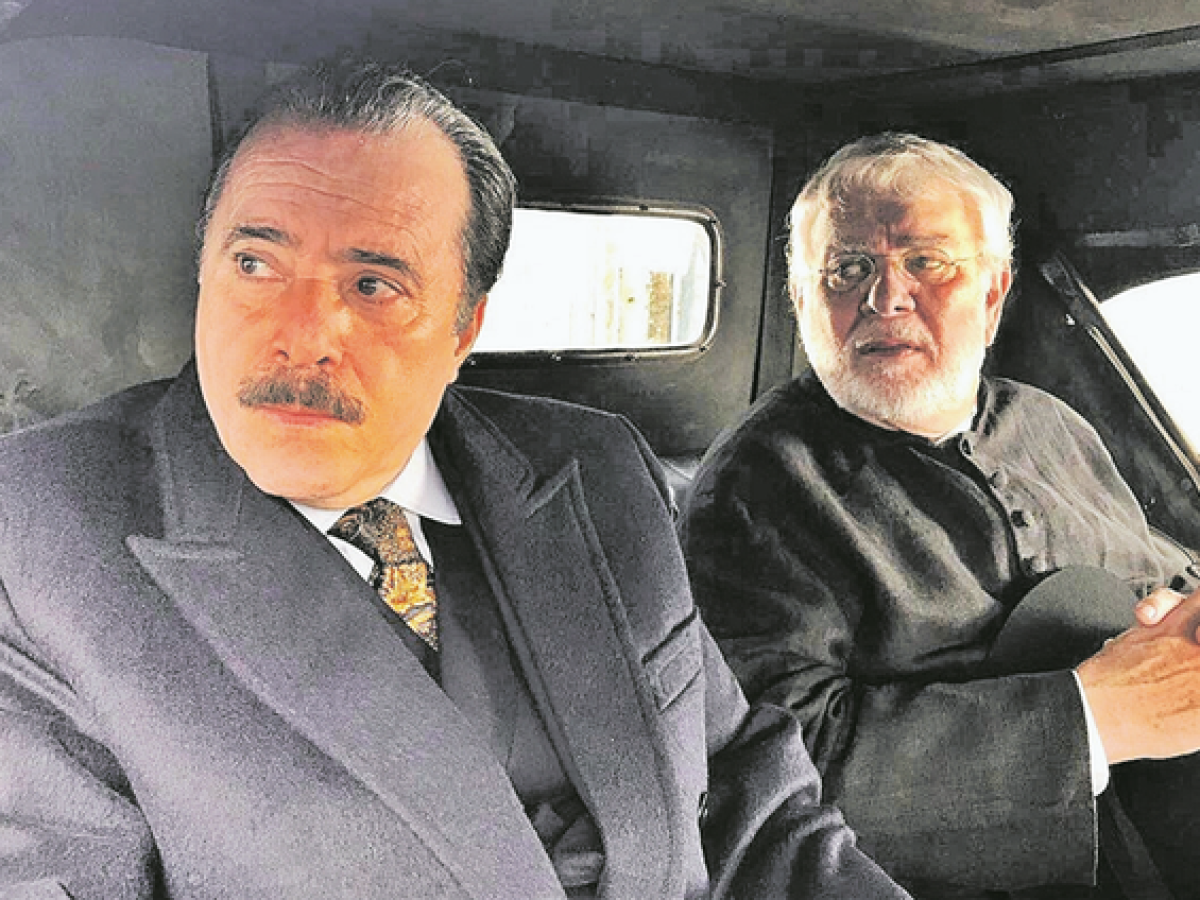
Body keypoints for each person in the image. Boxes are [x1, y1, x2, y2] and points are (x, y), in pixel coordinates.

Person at [0, 62, 912, 900]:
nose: (301, 335)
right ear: (204, 273)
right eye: (255, 264)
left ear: (464, 328)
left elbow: (754, 809)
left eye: (372, 285)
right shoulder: (39, 536)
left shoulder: (599, 468)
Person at [679, 132, 1200, 899]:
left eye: (926, 261)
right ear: (803, 302)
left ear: (991, 296)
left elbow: (1159, 565)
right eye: (848, 269)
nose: (885, 298)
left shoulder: (1049, 422)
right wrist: (1097, 718)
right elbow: (767, 769)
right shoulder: (755, 488)